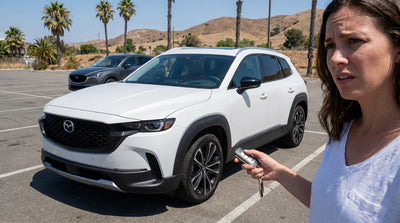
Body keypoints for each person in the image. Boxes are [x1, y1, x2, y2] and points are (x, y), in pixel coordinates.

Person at [235, 0, 400, 222]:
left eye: (354, 41)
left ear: (397, 48)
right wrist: (281, 173)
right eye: (330, 45)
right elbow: (329, 204)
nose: (334, 58)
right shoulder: (341, 127)